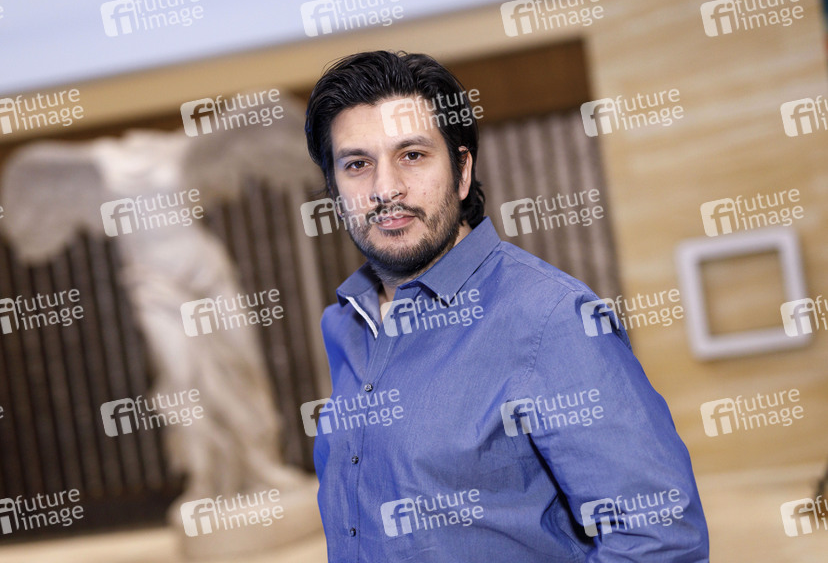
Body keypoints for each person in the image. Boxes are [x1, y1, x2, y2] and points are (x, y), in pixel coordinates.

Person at [303, 50, 709, 561]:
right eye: (357, 165)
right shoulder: (345, 324)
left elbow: (660, 537)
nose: (385, 189)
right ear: (334, 190)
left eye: (412, 155)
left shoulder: (550, 318)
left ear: (462, 171)